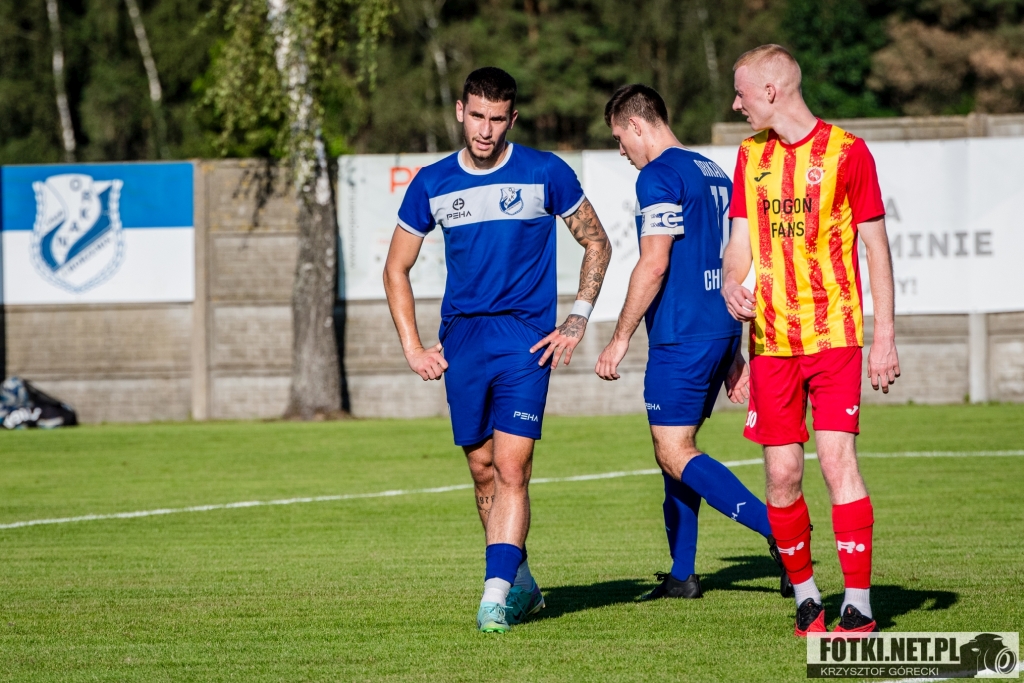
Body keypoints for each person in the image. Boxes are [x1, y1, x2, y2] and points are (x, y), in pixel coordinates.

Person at [383, 67, 612, 634]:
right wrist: (413, 347)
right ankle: (522, 583)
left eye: (498, 119)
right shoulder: (432, 183)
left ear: (513, 118)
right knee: (482, 469)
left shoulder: (545, 172)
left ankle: (494, 597)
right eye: (478, 116)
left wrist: (578, 318)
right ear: (461, 111)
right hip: (462, 342)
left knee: (513, 467)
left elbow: (596, 241)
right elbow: (396, 268)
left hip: (523, 341)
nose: (486, 130)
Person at [723, 45, 901, 636]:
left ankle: (859, 603)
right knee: (781, 476)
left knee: (835, 461)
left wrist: (884, 338)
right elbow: (739, 242)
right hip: (771, 343)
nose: (736, 104)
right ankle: (806, 595)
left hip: (834, 337)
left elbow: (876, 249)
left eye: (742, 93)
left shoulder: (848, 152)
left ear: (770, 92)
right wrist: (731, 283)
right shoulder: (749, 156)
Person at [595, 84, 791, 601]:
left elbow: (654, 262)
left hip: (681, 336)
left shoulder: (659, 175)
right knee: (675, 450)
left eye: (619, 137)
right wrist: (735, 350)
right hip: (717, 329)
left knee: (673, 450)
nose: (621, 150)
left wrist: (619, 338)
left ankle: (782, 532)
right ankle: (682, 574)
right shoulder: (713, 172)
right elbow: (730, 260)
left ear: (637, 125)